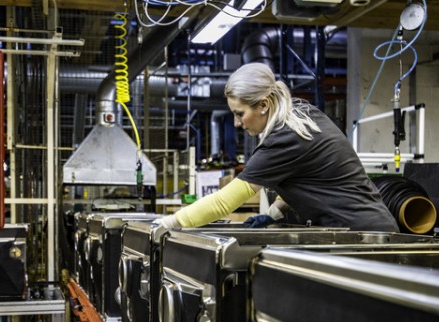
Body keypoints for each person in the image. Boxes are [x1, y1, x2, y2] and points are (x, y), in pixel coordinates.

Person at [158, 62, 398, 232]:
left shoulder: (286, 137)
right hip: (369, 229)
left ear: (263, 104)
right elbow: (310, 179)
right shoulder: (302, 114)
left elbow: (224, 203)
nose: (237, 123)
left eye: (240, 114)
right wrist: (272, 214)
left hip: (363, 236)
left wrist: (169, 224)